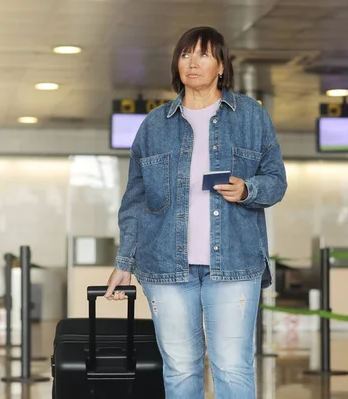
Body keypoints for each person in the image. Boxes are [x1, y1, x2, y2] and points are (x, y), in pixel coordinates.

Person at [104, 26, 287, 399]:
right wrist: (125, 261)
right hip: (166, 267)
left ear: (221, 65)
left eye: (203, 54)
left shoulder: (251, 117)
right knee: (181, 368)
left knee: (233, 367)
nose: (192, 62)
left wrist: (248, 189)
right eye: (185, 54)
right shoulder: (155, 125)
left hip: (235, 263)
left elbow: (277, 181)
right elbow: (136, 200)